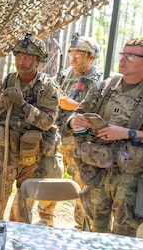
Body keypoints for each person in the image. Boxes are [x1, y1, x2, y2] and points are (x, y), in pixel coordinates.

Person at [69, 38, 143, 237]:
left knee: (123, 236)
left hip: (131, 180)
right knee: (94, 231)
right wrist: (74, 122)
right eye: (123, 54)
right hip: (97, 171)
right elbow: (76, 115)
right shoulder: (105, 87)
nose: (123, 60)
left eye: (131, 56)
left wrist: (129, 133)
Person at [0, 33, 59, 221]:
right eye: (18, 57)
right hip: (6, 152)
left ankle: (17, 243)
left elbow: (47, 121)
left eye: (26, 57)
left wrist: (24, 105)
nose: (21, 62)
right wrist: (2, 102)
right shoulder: (6, 82)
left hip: (31, 156)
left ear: (37, 60)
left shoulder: (47, 87)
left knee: (23, 206)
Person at [39, 34, 102, 228]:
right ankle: (45, 217)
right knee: (51, 175)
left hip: (81, 141)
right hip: (58, 136)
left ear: (91, 57)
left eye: (79, 54)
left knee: (82, 182)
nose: (73, 58)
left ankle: (80, 225)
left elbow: (97, 112)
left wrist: (71, 105)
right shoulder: (64, 75)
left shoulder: (99, 81)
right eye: (71, 53)